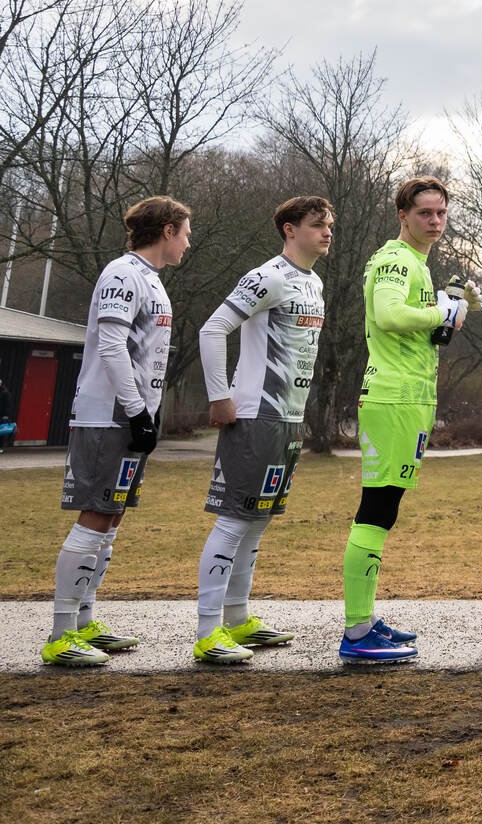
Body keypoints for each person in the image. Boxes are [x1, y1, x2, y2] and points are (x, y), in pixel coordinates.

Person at [40, 196, 191, 667]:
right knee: (96, 515)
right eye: (185, 232)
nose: (189, 241)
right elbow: (110, 344)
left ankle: (85, 622)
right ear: (166, 230)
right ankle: (61, 633)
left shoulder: (152, 281)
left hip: (130, 416)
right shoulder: (122, 274)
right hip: (108, 415)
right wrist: (135, 410)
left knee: (113, 517)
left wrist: (148, 410)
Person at [191, 196, 332, 665]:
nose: (327, 231)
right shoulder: (266, 275)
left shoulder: (315, 284)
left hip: (288, 420)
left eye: (329, 224)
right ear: (290, 230)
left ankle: (237, 618)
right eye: (317, 225)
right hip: (254, 414)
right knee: (234, 520)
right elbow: (213, 330)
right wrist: (219, 395)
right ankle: (208, 632)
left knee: (258, 520)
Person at [338, 176, 470, 664]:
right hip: (392, 399)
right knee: (376, 509)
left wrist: (441, 319)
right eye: (424, 214)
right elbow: (389, 314)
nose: (435, 222)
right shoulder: (396, 259)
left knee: (384, 510)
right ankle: (355, 631)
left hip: (409, 399)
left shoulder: (416, 262)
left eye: (440, 213)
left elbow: (408, 324)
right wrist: (440, 310)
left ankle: (366, 619)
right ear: (403, 215)